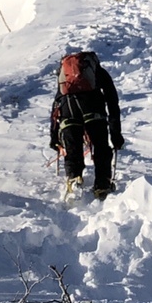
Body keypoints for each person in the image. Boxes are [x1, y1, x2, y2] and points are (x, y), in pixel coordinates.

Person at [49, 50, 124, 198]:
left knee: (73, 148)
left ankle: (74, 179)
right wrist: (116, 134)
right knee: (101, 146)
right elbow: (112, 102)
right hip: (93, 109)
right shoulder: (99, 72)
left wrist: (54, 136)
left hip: (68, 110)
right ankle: (102, 185)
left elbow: (56, 105)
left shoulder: (65, 78)